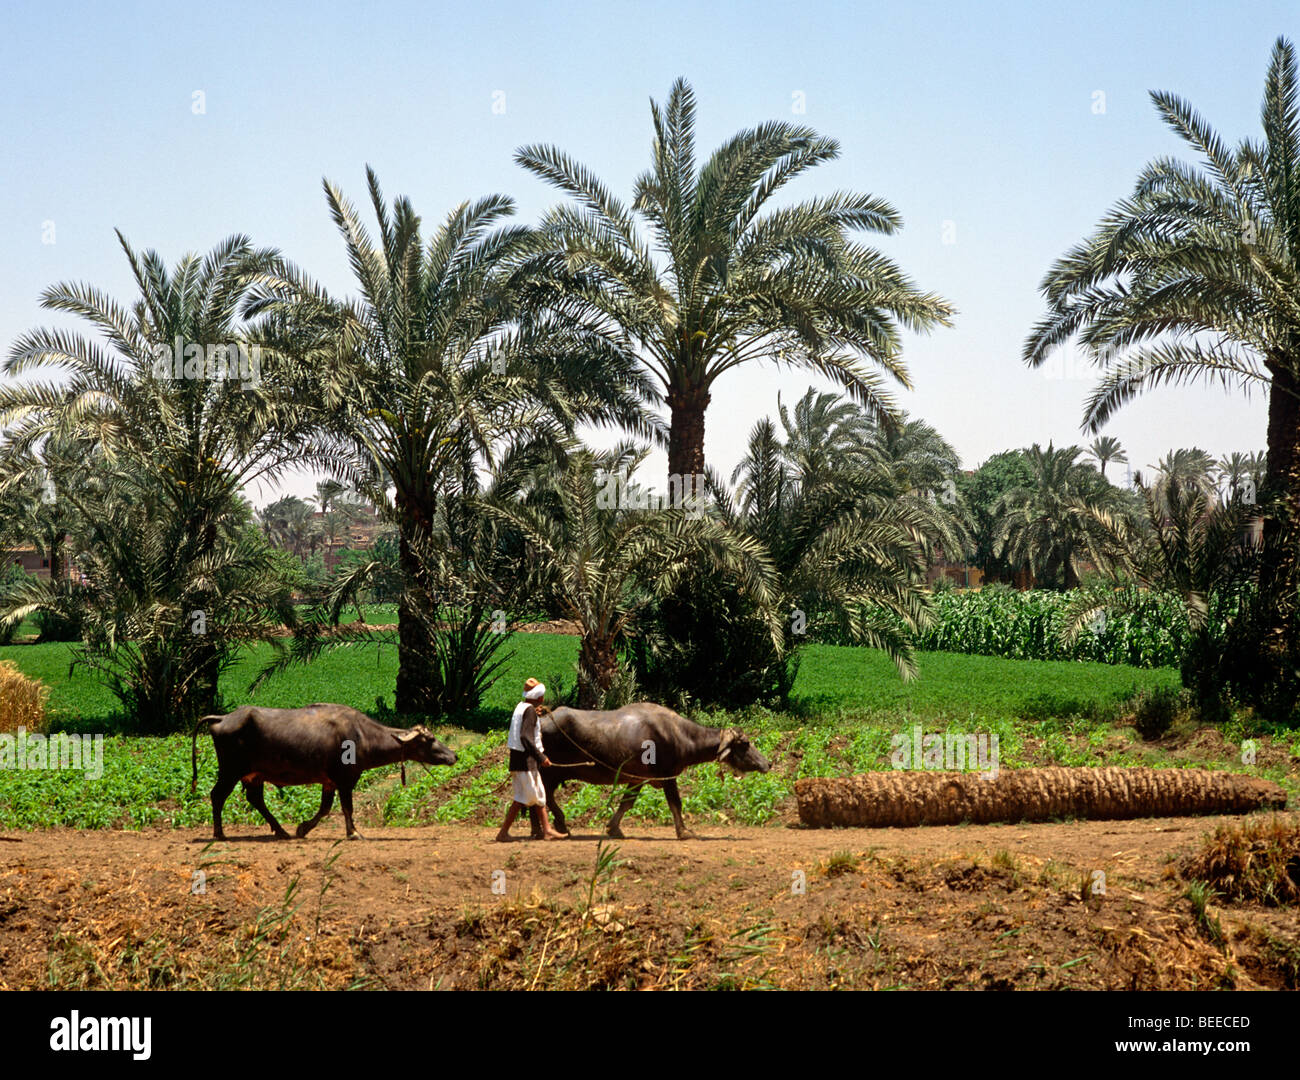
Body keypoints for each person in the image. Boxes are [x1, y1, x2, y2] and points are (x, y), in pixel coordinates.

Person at [496, 678, 568, 841]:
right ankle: (546, 830)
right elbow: (525, 737)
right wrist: (541, 757)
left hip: (518, 760)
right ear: (540, 698)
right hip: (526, 762)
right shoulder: (530, 712)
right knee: (534, 796)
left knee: (527, 797)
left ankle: (505, 833)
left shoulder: (521, 707)